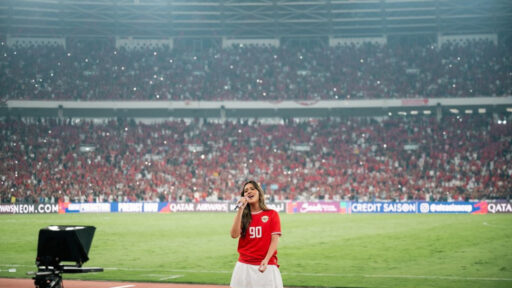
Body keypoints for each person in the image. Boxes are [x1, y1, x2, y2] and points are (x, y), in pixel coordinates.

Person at [229, 180, 283, 288]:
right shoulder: (243, 216)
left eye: (252, 189)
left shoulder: (272, 214)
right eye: (246, 191)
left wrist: (266, 260)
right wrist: (240, 209)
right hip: (244, 266)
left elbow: (274, 240)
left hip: (266, 265)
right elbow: (234, 235)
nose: (249, 192)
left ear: (259, 192)